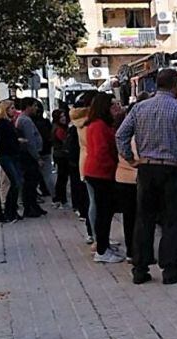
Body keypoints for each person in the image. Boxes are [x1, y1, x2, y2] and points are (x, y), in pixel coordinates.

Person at [116, 69, 177, 285]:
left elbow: (121, 134)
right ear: (175, 85)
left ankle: (140, 268)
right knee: (172, 219)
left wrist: (130, 158)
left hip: (146, 169)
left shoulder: (139, 108)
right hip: (173, 169)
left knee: (144, 219)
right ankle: (170, 269)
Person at [83, 93, 124, 264]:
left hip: (97, 172)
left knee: (104, 211)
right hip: (101, 173)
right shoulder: (99, 126)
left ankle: (104, 245)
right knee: (103, 213)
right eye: (113, 105)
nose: (116, 108)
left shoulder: (97, 124)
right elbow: (102, 152)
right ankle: (102, 250)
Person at [71, 90, 99, 243]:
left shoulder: (80, 120)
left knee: (92, 201)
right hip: (92, 163)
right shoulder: (90, 122)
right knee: (94, 202)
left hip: (85, 161)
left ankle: (94, 234)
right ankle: (96, 235)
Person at [0, 100, 24, 221]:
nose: (14, 110)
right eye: (11, 108)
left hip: (11, 155)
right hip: (6, 156)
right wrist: (16, 142)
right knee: (15, 182)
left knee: (16, 182)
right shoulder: (2, 123)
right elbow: (2, 141)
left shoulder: (8, 123)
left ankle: (12, 210)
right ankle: (10, 211)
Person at [16, 98, 47, 218]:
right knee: (30, 182)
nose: (36, 108)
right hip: (29, 156)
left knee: (32, 182)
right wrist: (37, 157)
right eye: (34, 106)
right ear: (28, 107)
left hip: (28, 155)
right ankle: (29, 207)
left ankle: (33, 206)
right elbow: (30, 141)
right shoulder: (25, 121)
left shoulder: (25, 119)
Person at [33, 102, 54, 199]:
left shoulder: (32, 122)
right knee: (47, 173)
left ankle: (43, 189)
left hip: (36, 151)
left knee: (37, 174)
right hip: (46, 150)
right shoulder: (45, 122)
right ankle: (50, 191)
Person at [51, 109, 70, 207]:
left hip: (59, 154)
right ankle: (60, 197)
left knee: (62, 177)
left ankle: (59, 197)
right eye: (61, 117)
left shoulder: (57, 127)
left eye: (64, 116)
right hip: (62, 155)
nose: (64, 118)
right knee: (62, 177)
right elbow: (65, 142)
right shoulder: (59, 129)